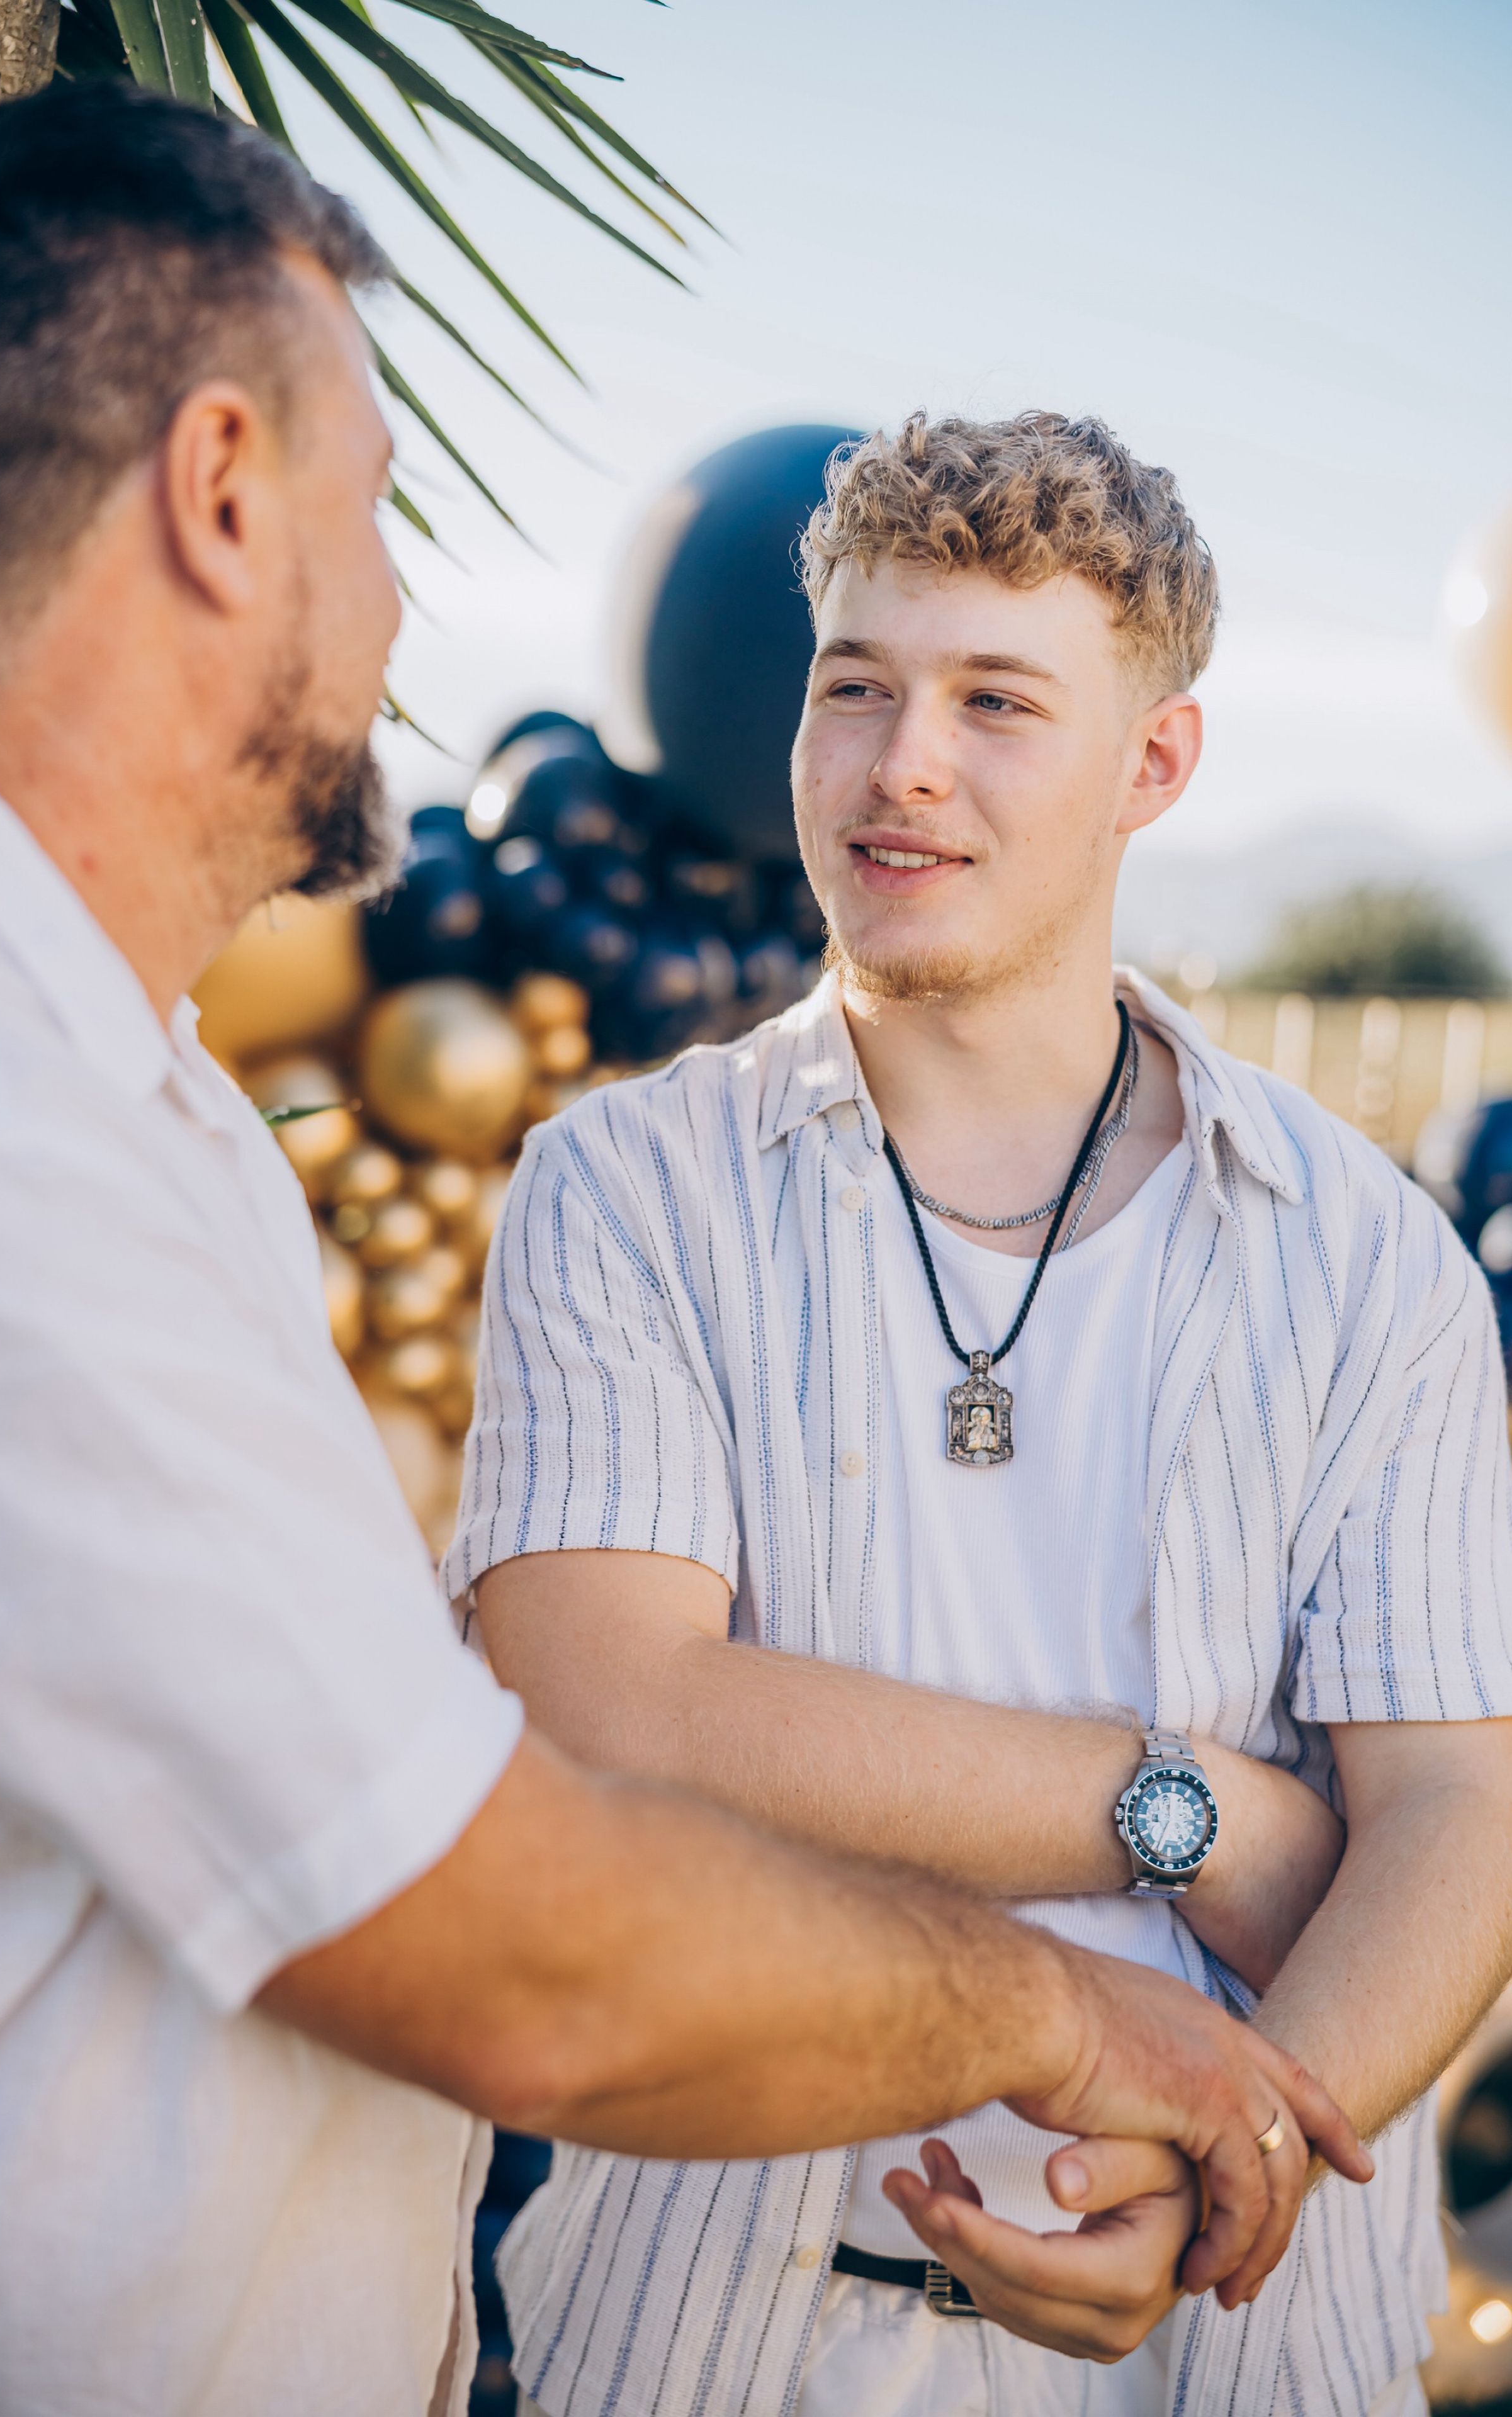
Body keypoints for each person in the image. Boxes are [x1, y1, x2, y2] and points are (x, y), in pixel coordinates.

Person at [0, 89, 1367, 2417]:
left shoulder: (123, 1091)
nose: (397, 614)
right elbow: (515, 1943)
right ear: (214, 497)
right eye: (377, 511)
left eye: (1005, 704)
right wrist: (1092, 2016)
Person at [456, 413, 1512, 2417]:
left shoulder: (1370, 1262)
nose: (899, 763)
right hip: (704, 2331)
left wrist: (1248, 2137)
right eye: (855, 687)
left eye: (995, 701)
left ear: (1156, 766)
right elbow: (619, 1710)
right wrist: (1182, 1809)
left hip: (1238, 2345)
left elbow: (1460, 1812)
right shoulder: (626, 1193)